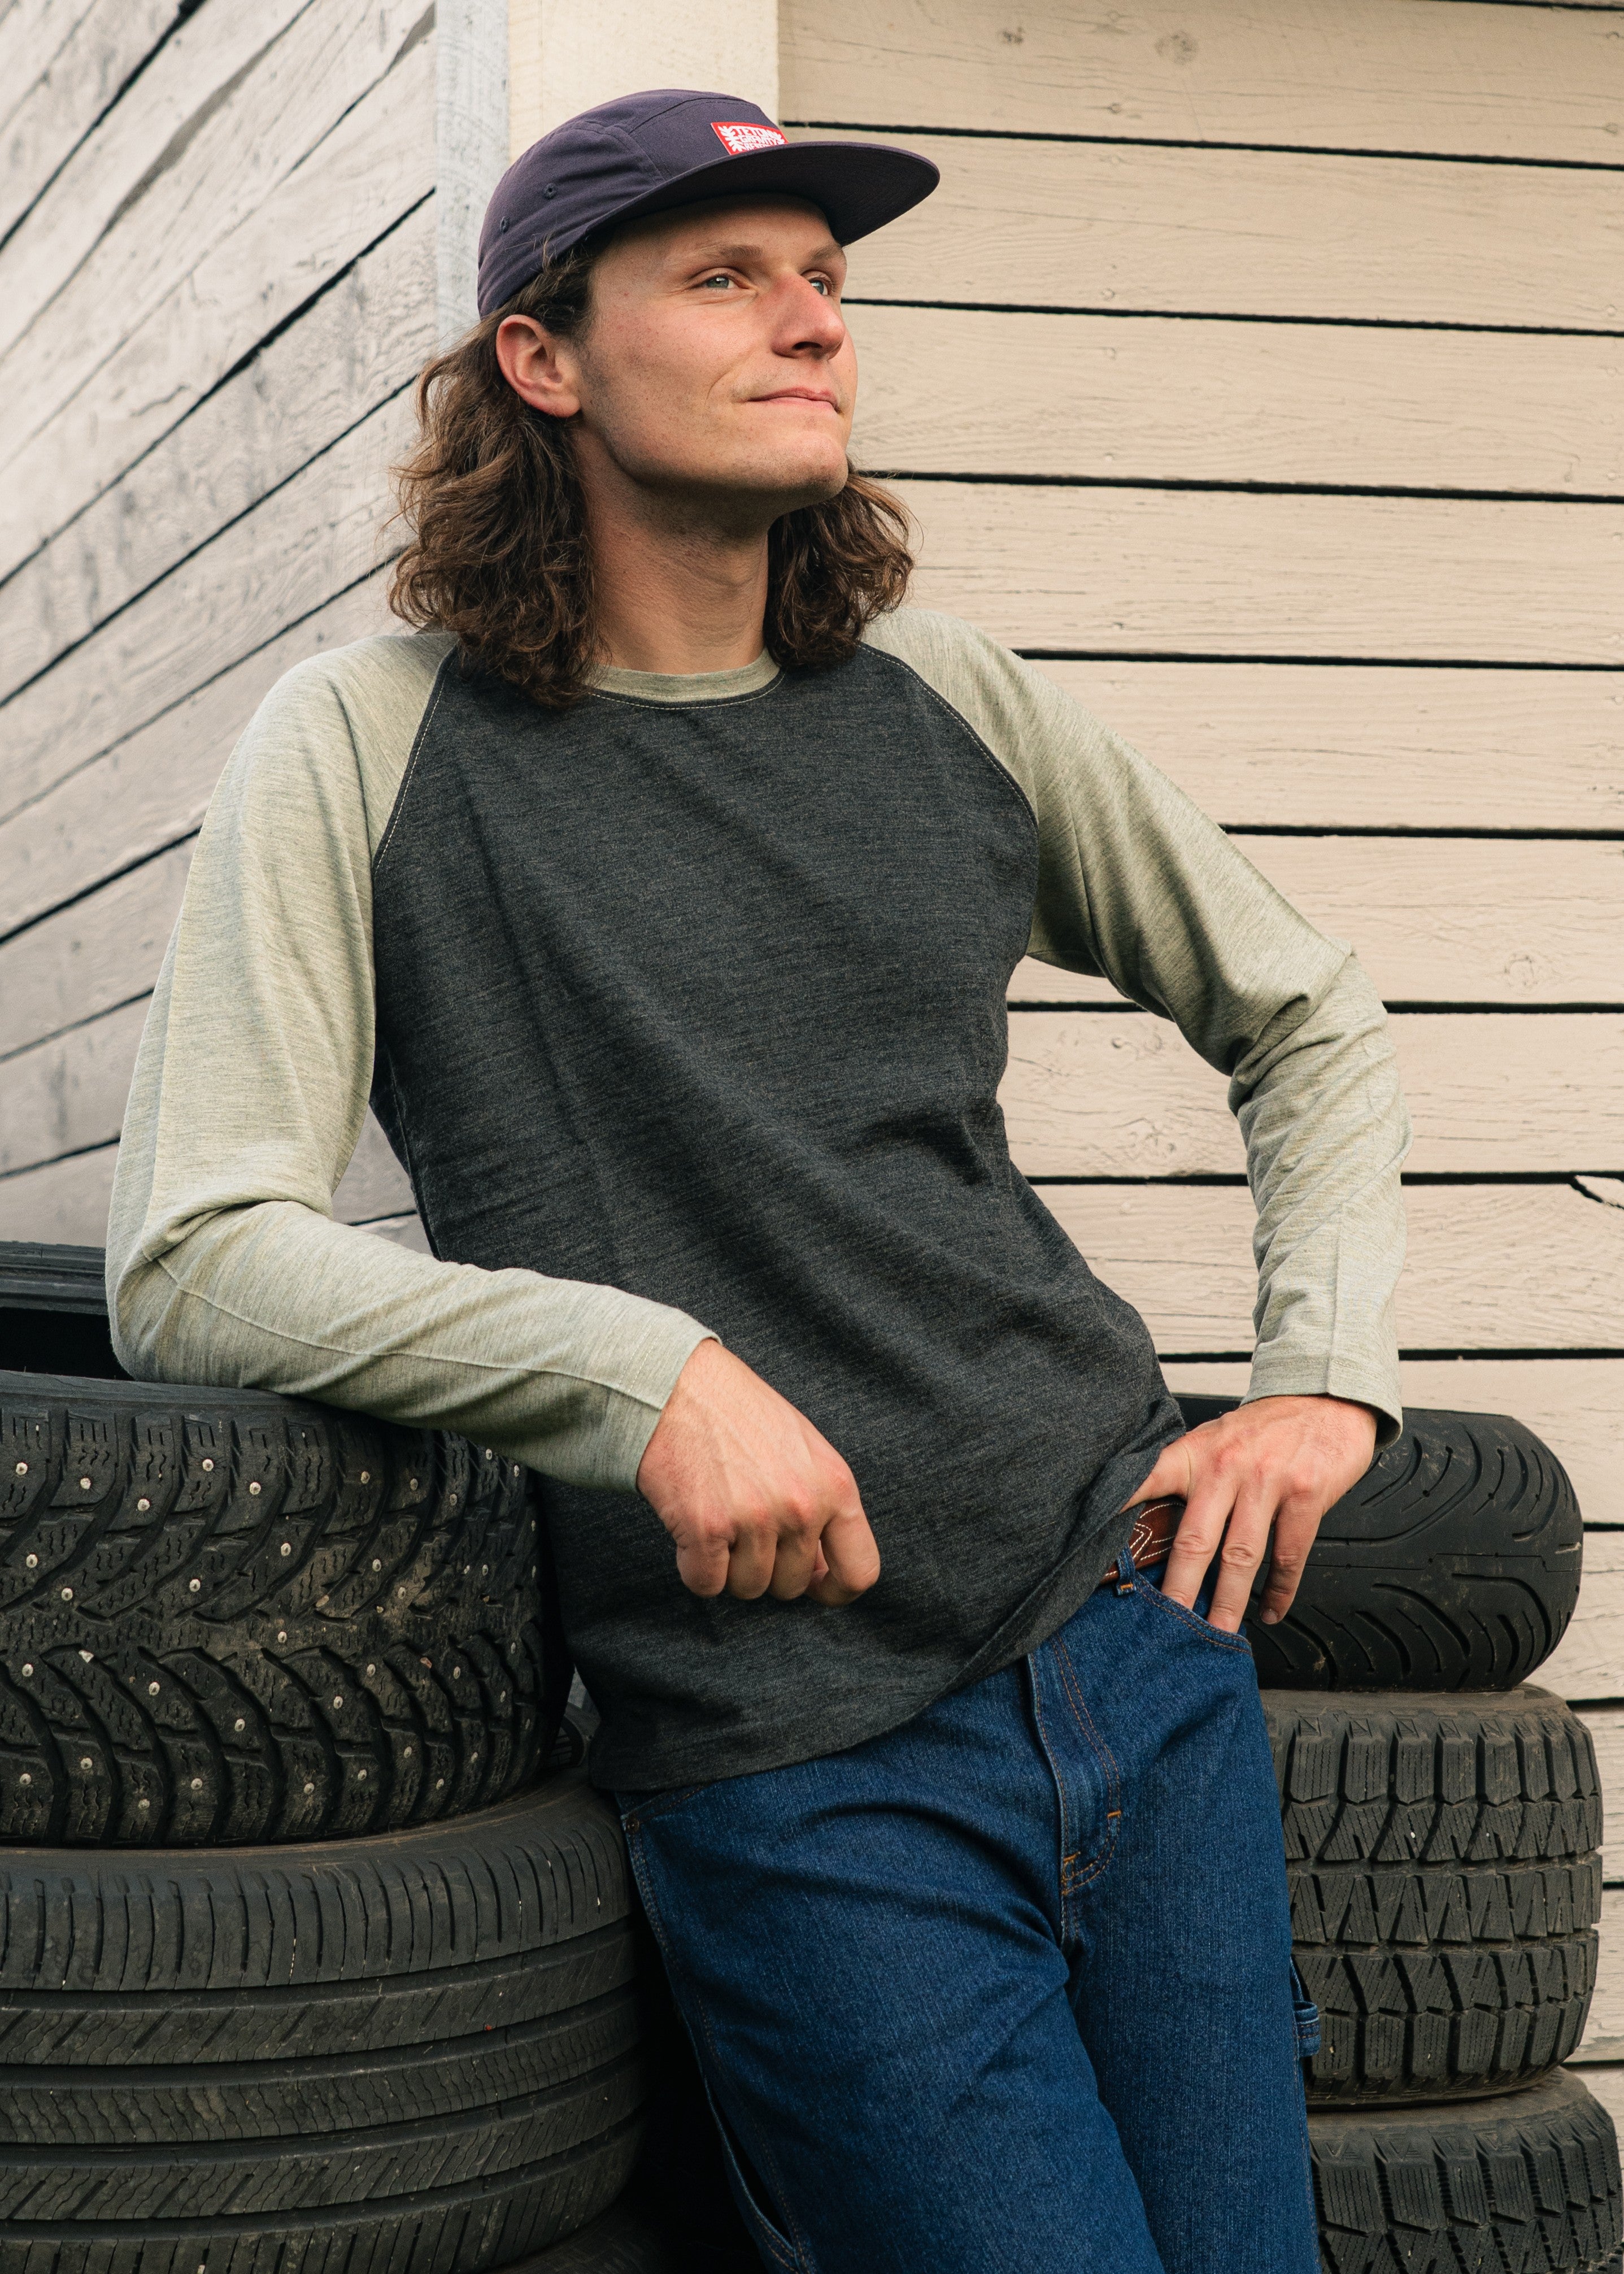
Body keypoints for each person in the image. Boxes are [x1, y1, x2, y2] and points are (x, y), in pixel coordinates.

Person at [107, 89, 1409, 2274]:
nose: (812, 323)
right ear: (543, 358)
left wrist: (1323, 1377)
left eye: (824, 278)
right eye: (726, 276)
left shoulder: (946, 693)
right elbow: (193, 1251)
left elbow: (1310, 1013)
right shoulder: (363, 741)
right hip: (792, 1754)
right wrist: (644, 1373)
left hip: (1132, 1636)